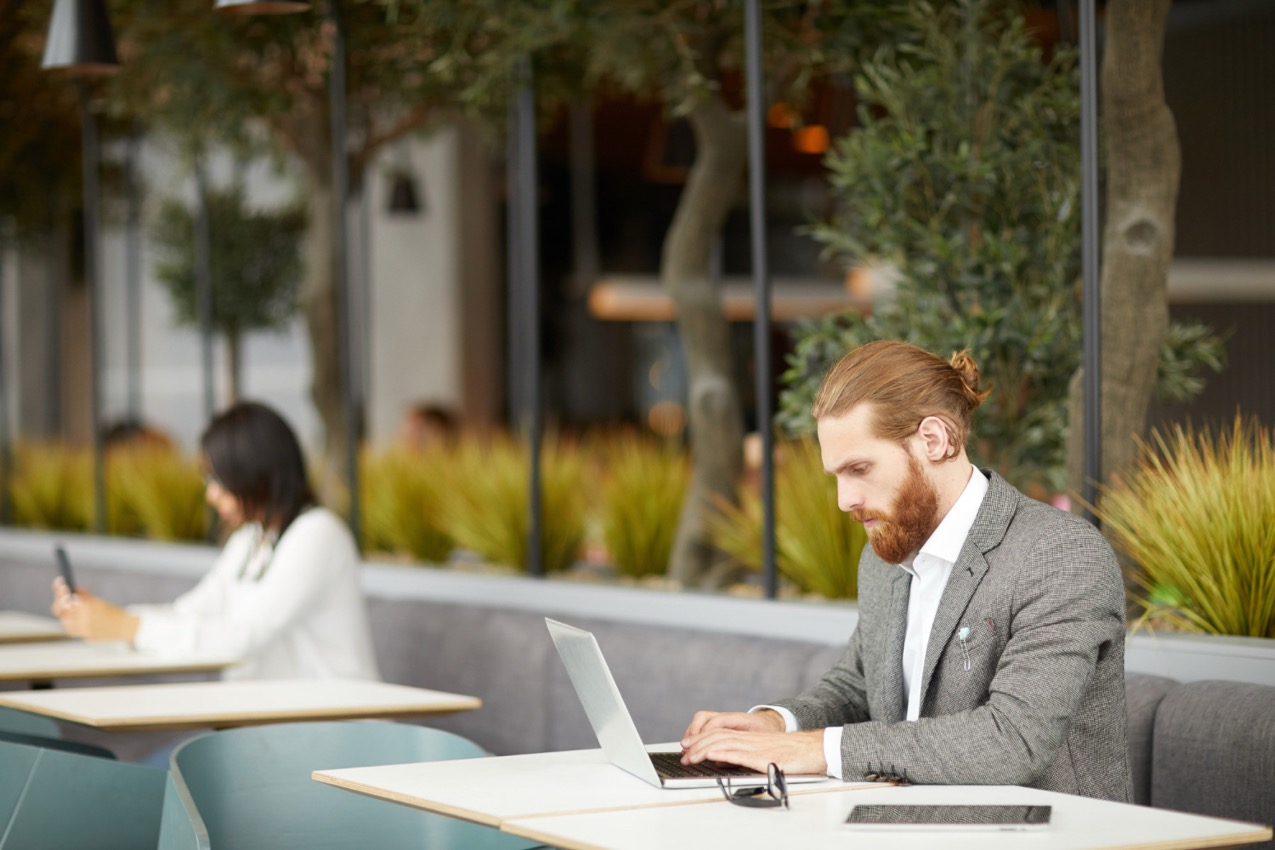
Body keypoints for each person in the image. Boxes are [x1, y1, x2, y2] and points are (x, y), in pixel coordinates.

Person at [680, 340, 1130, 801]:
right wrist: (776, 724)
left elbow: (1013, 739)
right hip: (910, 822)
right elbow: (858, 686)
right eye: (836, 476)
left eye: (859, 468)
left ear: (934, 440)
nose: (844, 500)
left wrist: (815, 748)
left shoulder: (1060, 554)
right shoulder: (883, 558)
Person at [52, 401, 381, 682]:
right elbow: (190, 612)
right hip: (267, 733)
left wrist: (128, 627)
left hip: (333, 735)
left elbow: (243, 636)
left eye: (219, 480)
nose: (211, 494)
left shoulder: (318, 534)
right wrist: (103, 620)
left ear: (255, 473)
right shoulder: (251, 541)